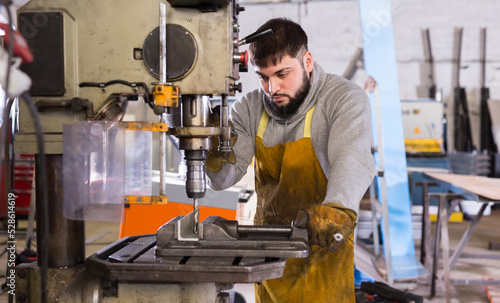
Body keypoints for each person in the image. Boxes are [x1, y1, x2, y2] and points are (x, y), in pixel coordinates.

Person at [206, 17, 376, 303]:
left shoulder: (343, 99)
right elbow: (224, 178)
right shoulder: (249, 108)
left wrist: (335, 209)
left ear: (307, 61)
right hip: (266, 259)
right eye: (263, 77)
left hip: (321, 251)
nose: (272, 88)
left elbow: (352, 159)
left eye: (283, 74)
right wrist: (208, 147)